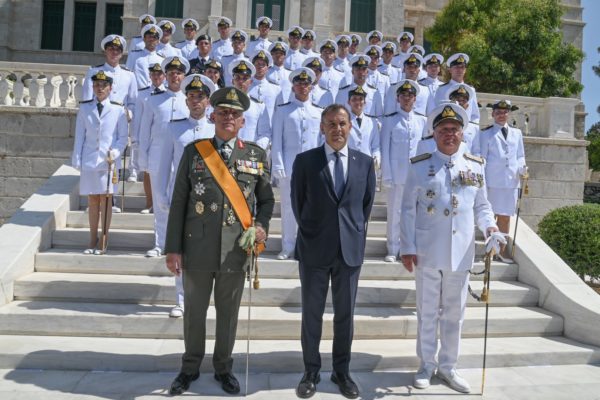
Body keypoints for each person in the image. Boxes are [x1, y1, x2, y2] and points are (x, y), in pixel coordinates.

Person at [165, 86, 274, 396]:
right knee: (194, 313)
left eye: (234, 114)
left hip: (235, 250)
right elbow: (179, 202)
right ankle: (189, 367)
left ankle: (224, 367)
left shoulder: (255, 155)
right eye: (223, 112)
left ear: (242, 121)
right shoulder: (195, 152)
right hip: (197, 247)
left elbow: (266, 200)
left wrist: (261, 227)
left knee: (228, 314)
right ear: (213, 117)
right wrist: (173, 249)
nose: (229, 117)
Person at [400, 102, 500, 394]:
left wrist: (490, 227)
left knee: (455, 313)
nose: (449, 134)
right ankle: (426, 365)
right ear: (434, 134)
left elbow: (482, 206)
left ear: (462, 133)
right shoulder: (419, 165)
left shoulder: (475, 165)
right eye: (443, 129)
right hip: (427, 250)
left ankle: (448, 366)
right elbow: (407, 209)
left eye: (454, 129)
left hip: (461, 251)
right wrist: (407, 247)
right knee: (427, 311)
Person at [291, 104, 376, 399]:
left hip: (349, 251)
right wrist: (314, 232)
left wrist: (350, 233)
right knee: (312, 314)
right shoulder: (305, 161)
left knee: (345, 315)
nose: (336, 129)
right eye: (330, 124)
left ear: (350, 126)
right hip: (314, 248)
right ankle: (310, 371)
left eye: (342, 123)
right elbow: (298, 203)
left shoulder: (365, 163)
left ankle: (342, 371)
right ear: (322, 127)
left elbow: (365, 206)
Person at [156, 74, 216, 318]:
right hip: (182, 198)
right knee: (180, 249)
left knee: (207, 249)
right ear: (186, 99)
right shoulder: (174, 127)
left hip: (209, 199)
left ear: (208, 101)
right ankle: (181, 299)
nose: (195, 101)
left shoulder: (214, 129)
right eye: (191, 96)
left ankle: (204, 298)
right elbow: (164, 164)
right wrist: (161, 194)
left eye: (200, 96)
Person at [138, 56, 190, 258]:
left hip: (182, 159)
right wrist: (143, 160)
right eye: (171, 73)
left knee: (182, 202)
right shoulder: (154, 100)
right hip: (158, 157)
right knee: (160, 203)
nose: (175, 76)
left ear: (184, 76)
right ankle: (160, 243)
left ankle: (180, 244)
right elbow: (144, 132)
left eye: (178, 73)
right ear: (165, 76)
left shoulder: (190, 100)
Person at [71, 70, 128, 255]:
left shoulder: (118, 109)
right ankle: (92, 237)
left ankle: (104, 236)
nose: (100, 88)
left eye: (104, 85)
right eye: (96, 85)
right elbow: (80, 135)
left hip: (108, 161)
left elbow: (122, 138)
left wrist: (115, 152)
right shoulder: (85, 108)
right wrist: (77, 158)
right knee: (93, 199)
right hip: (90, 159)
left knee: (106, 199)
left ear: (110, 88)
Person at [270, 68, 323, 260]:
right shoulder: (283, 110)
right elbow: (277, 140)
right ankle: (288, 245)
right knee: (288, 207)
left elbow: (321, 142)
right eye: (299, 83)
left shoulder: (318, 111)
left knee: (311, 208)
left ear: (311, 86)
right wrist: (278, 165)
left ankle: (307, 246)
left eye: (306, 84)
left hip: (312, 168)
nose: (302, 87)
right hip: (289, 167)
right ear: (293, 87)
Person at [81, 34, 138, 194]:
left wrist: (129, 113)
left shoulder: (129, 75)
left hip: (119, 122)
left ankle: (112, 196)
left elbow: (133, 101)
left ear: (122, 53)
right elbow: (86, 100)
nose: (114, 52)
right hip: (99, 120)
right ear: (105, 51)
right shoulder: (94, 72)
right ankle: (95, 194)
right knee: (97, 156)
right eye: (111, 49)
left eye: (118, 50)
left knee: (115, 158)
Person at [381, 80, 427, 262]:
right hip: (397, 175)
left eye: (410, 96)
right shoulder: (389, 120)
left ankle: (408, 248)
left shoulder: (422, 121)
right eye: (403, 95)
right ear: (397, 98)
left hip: (416, 176)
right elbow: (385, 149)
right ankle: (393, 248)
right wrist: (387, 175)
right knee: (395, 213)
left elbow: (425, 150)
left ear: (415, 99)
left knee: (414, 214)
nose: (407, 98)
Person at [476, 100, 527, 263]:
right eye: (498, 112)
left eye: (504, 112)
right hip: (492, 181)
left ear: (508, 114)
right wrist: (481, 180)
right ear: (493, 114)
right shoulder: (485, 134)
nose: (501, 115)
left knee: (505, 217)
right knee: (490, 217)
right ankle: (490, 249)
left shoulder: (516, 133)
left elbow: (520, 155)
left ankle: (502, 251)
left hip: (511, 181)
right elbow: (482, 158)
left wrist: (522, 168)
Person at [131, 62, 166, 214]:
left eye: (159, 74)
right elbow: (138, 118)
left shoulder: (168, 93)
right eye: (154, 74)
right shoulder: (143, 94)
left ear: (164, 76)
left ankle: (161, 203)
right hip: (147, 139)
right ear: (150, 76)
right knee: (147, 171)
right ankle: (149, 203)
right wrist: (135, 139)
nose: (156, 77)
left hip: (163, 139)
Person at [227, 59, 271, 148]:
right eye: (238, 78)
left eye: (245, 78)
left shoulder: (259, 106)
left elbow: (265, 134)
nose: (241, 81)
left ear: (250, 82)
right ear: (232, 81)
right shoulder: (223, 104)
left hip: (250, 152)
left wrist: (255, 150)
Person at [431, 53, 480, 123]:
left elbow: (475, 115)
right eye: (456, 67)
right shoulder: (441, 89)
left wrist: (473, 127)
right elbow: (436, 112)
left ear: (465, 70)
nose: (459, 70)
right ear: (450, 70)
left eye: (462, 67)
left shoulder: (471, 90)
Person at [336, 54, 383, 119]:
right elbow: (337, 115)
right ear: (352, 72)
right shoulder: (342, 93)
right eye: (358, 69)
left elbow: (379, 116)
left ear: (367, 72)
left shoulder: (375, 93)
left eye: (364, 69)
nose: (361, 72)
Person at [347, 85, 381, 161]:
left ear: (365, 102)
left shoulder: (372, 122)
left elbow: (376, 146)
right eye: (354, 99)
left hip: (367, 163)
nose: (357, 102)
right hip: (350, 163)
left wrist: (376, 158)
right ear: (349, 102)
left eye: (360, 99)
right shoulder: (344, 121)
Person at [248, 49, 281, 122]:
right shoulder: (246, 87)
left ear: (268, 68)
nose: (260, 67)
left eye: (263, 64)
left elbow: (279, 114)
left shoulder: (276, 89)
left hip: (268, 128)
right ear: (252, 67)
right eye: (257, 64)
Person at [131, 24, 166, 89]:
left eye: (154, 37)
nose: (151, 39)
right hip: (138, 93)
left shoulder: (162, 59)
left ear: (158, 41)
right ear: (144, 39)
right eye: (149, 37)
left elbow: (164, 80)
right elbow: (129, 76)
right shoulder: (134, 55)